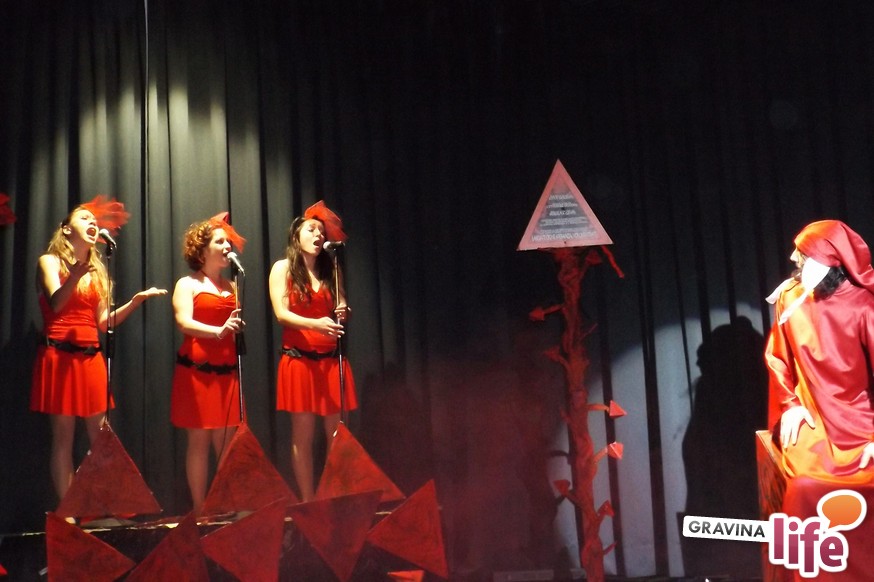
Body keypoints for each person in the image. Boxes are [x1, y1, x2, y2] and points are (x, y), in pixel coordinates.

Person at [31, 198, 167, 501]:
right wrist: (74, 277)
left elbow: (104, 322)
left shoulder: (97, 272)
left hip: (90, 356)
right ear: (66, 229)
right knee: (63, 438)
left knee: (102, 436)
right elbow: (56, 303)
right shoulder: (49, 262)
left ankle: (105, 506)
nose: (92, 223)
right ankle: (68, 515)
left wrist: (135, 302)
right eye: (84, 218)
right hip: (59, 355)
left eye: (95, 220)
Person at [765, 219, 874, 579]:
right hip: (814, 422)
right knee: (805, 488)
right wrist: (790, 405)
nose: (797, 265)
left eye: (807, 259)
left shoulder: (864, 306)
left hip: (860, 426)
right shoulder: (790, 299)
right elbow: (778, 358)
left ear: (834, 262)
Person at [269, 201, 356, 501]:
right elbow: (281, 314)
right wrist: (315, 324)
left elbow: (341, 305)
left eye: (321, 231)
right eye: (311, 230)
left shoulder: (331, 269)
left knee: (337, 435)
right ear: (296, 236)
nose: (318, 235)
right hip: (300, 361)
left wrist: (343, 311)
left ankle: (332, 496)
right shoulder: (282, 268)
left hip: (331, 361)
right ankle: (307, 500)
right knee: (303, 436)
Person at [171, 213, 246, 511]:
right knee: (199, 442)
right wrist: (219, 330)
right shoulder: (187, 284)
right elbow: (183, 322)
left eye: (228, 242)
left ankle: (226, 505)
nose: (228, 246)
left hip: (227, 374)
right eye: (220, 241)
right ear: (202, 251)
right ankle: (201, 509)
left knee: (227, 444)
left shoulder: (232, 285)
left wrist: (231, 330)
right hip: (197, 374)